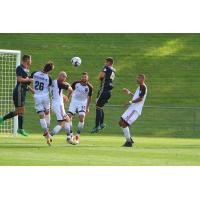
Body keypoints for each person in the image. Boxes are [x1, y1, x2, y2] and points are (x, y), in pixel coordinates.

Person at [0, 55, 33, 136]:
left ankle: (20, 129)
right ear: (27, 60)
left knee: (21, 110)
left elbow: (25, 83)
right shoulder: (20, 68)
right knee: (20, 110)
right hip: (19, 91)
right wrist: (29, 79)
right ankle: (2, 119)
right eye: (30, 59)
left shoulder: (27, 70)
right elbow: (19, 79)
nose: (31, 61)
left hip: (23, 91)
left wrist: (31, 89)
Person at [119, 74, 147, 147]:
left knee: (124, 123)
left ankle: (128, 142)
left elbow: (141, 99)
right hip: (132, 108)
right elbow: (136, 97)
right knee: (120, 122)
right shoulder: (139, 87)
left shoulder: (143, 87)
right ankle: (129, 139)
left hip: (135, 109)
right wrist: (128, 92)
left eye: (139, 78)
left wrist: (130, 102)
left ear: (143, 79)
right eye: (137, 77)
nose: (137, 79)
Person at [30, 62, 54, 144]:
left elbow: (28, 80)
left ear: (44, 66)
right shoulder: (49, 78)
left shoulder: (35, 73)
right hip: (45, 97)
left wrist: (28, 88)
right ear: (50, 70)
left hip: (37, 97)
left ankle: (46, 132)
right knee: (47, 113)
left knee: (41, 116)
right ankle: (47, 131)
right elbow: (51, 90)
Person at [91, 57, 116, 133]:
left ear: (109, 62)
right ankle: (101, 124)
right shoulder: (114, 70)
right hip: (109, 91)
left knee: (98, 107)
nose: (105, 63)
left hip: (103, 90)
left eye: (106, 62)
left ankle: (97, 126)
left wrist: (100, 76)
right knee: (101, 107)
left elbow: (101, 76)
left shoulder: (106, 68)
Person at [67, 72, 93, 144]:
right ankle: (71, 134)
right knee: (69, 117)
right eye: (82, 77)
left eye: (85, 77)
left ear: (87, 78)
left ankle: (77, 136)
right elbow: (70, 91)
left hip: (82, 103)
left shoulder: (90, 87)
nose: (83, 78)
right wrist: (67, 97)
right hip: (74, 102)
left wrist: (87, 107)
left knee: (82, 118)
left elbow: (90, 97)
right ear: (81, 77)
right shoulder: (76, 83)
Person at [49, 71, 74, 145]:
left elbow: (56, 92)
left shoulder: (53, 82)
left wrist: (63, 96)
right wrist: (68, 95)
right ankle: (49, 136)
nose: (64, 79)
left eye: (65, 77)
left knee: (67, 120)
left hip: (54, 104)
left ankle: (69, 137)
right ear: (59, 76)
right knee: (62, 123)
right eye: (63, 76)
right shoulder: (60, 83)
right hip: (59, 105)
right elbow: (71, 90)